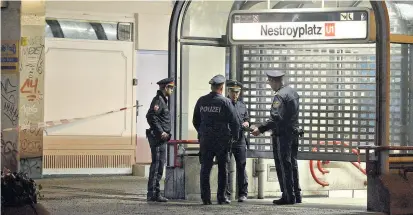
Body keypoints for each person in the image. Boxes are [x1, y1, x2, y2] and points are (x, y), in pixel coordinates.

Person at [251, 70, 302, 205]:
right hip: (294, 133)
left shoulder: (279, 96)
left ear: (274, 81)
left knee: (283, 165)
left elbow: (275, 118)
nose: (270, 85)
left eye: (269, 82)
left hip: (282, 136)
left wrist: (260, 129)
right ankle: (296, 194)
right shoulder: (293, 92)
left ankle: (287, 196)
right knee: (293, 164)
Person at [193, 74, 241, 205]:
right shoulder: (225, 102)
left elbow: (195, 120)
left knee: (205, 168)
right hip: (222, 141)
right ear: (222, 87)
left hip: (206, 141)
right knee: (222, 169)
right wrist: (234, 137)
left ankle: (206, 198)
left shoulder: (201, 101)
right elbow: (235, 122)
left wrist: (202, 133)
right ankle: (221, 197)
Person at [145, 77, 175, 202]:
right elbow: (151, 116)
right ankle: (153, 193)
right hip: (157, 138)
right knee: (157, 166)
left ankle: (155, 192)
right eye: (171, 88)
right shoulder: (158, 101)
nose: (172, 91)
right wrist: (161, 131)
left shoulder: (163, 100)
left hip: (161, 139)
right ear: (165, 87)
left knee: (159, 165)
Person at [225, 80, 249, 202]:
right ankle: (226, 194)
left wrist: (246, 123)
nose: (235, 94)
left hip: (240, 139)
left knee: (241, 166)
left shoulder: (242, 105)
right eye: (233, 92)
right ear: (228, 91)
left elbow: (246, 118)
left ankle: (243, 193)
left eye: (237, 92)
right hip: (227, 140)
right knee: (226, 167)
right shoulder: (224, 104)